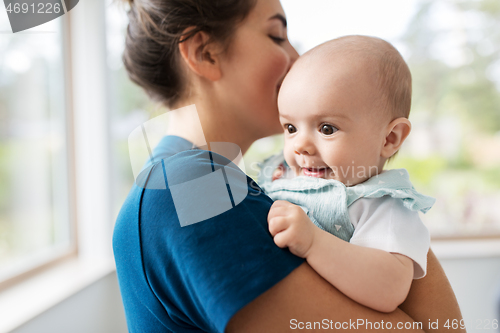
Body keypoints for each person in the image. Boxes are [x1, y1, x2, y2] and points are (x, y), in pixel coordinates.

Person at [112, 0, 465, 332]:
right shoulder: (188, 185)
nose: (296, 58)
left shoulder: (222, 178)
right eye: (276, 36)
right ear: (205, 54)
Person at [259, 35, 435, 313]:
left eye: (327, 128)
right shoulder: (279, 174)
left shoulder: (382, 205)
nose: (300, 145)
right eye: (290, 128)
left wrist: (314, 242)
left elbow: (389, 288)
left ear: (389, 138)